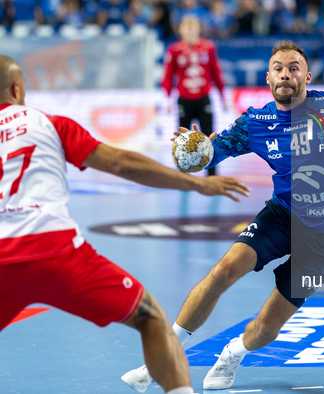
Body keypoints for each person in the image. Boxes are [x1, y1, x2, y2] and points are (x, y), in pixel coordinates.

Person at [121, 39, 324, 391]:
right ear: (268, 77)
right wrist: (194, 147)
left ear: (306, 75)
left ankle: (233, 353)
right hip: (284, 214)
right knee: (223, 271)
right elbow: (212, 154)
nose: (286, 74)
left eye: (293, 68)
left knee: (265, 328)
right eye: (278, 68)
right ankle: (162, 360)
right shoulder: (256, 122)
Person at [0, 55, 250, 394]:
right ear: (17, 88)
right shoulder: (48, 123)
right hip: (56, 251)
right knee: (151, 318)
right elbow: (122, 163)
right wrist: (197, 183)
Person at [162, 15, 226, 176]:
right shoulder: (174, 49)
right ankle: (184, 176)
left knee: (209, 137)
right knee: (183, 140)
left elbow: (216, 72)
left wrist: (222, 96)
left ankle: (212, 176)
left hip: (204, 97)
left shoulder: (208, 47)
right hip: (184, 99)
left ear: (198, 29)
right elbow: (168, 75)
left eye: (193, 27)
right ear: (181, 29)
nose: (190, 30)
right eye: (186, 27)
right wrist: (167, 99)